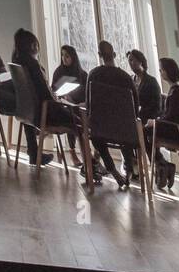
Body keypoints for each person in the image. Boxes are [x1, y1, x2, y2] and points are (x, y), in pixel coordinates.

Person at [11, 28, 80, 168]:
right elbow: (45, 94)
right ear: (33, 46)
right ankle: (91, 164)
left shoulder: (18, 63)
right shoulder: (33, 65)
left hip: (27, 113)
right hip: (45, 115)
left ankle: (33, 152)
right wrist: (58, 101)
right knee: (81, 122)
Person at [85, 41, 135, 188]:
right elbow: (134, 106)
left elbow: (89, 105)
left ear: (99, 55)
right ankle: (129, 170)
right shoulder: (126, 78)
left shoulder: (93, 75)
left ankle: (112, 170)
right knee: (127, 133)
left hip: (101, 130)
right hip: (125, 131)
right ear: (114, 55)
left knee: (95, 136)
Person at [152, 57, 179, 191]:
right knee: (148, 130)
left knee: (146, 131)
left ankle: (162, 165)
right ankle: (163, 165)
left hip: (176, 133)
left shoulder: (176, 93)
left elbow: (170, 117)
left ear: (168, 71)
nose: (160, 72)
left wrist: (155, 122)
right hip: (173, 129)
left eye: (161, 69)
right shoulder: (174, 91)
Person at [125, 49, 162, 180]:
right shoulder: (130, 80)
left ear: (141, 61)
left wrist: (142, 113)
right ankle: (132, 165)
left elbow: (156, 106)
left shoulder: (151, 81)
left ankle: (157, 163)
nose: (131, 63)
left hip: (148, 117)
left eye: (133, 60)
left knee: (141, 131)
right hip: (134, 118)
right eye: (129, 60)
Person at [51, 44, 88, 164]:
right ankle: (72, 151)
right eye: (62, 55)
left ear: (73, 57)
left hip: (80, 105)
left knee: (80, 114)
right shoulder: (59, 72)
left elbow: (87, 93)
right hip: (65, 105)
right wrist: (64, 97)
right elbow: (54, 91)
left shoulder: (82, 74)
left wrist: (82, 103)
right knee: (71, 115)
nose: (64, 58)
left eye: (67, 56)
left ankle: (89, 152)